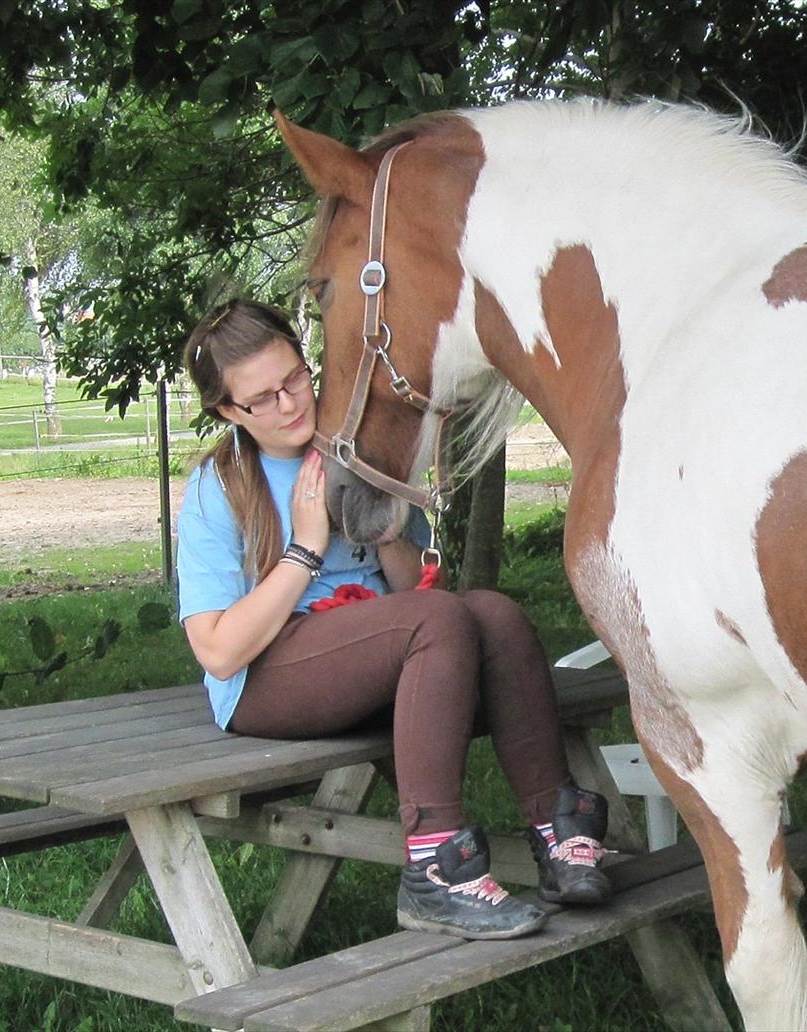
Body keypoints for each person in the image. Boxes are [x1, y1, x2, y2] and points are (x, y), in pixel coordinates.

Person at [175, 298, 612, 941]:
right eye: (261, 400)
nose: (290, 404)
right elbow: (217, 652)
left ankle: (557, 831)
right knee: (435, 620)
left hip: (376, 656)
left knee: (494, 613)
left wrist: (379, 527)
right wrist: (304, 548)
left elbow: (414, 589)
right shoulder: (221, 486)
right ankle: (435, 870)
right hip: (266, 680)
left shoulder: (357, 450)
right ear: (226, 411)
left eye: (295, 378)